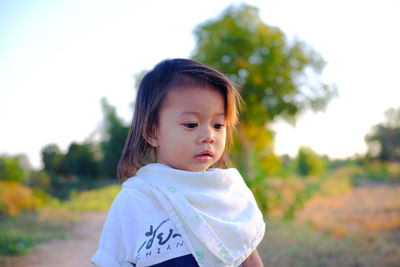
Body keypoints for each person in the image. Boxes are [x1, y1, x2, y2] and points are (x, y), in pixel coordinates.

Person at [91, 58, 265, 267]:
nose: (209, 135)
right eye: (191, 124)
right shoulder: (134, 200)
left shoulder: (228, 192)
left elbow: (249, 257)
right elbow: (109, 261)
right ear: (151, 132)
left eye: (218, 125)